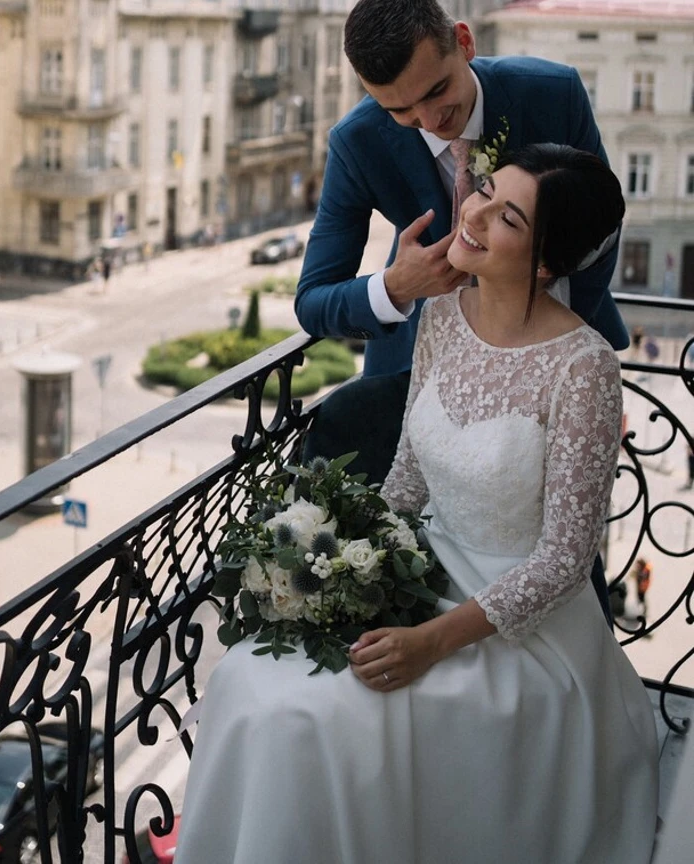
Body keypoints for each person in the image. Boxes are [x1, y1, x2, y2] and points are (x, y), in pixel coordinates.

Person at [174, 145, 658, 864]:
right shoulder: (442, 313)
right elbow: (407, 478)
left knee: (319, 712)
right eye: (486, 191)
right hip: (422, 572)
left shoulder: (584, 367)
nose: (478, 214)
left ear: (548, 262)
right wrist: (339, 567)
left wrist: (430, 642)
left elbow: (565, 561)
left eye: (509, 219)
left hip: (518, 629)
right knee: (250, 673)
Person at [296, 0, 624, 625]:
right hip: (422, 381)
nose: (428, 119)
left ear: (464, 42)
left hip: (556, 372)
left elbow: (601, 227)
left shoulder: (552, 92)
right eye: (400, 110)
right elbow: (313, 301)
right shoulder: (358, 140)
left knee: (570, 552)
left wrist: (551, 342)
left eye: (437, 92)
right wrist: (395, 286)